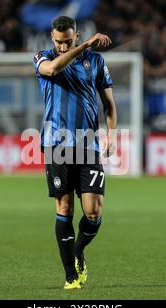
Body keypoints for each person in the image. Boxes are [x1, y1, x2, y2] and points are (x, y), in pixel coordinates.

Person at [32, 16, 118, 289]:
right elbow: (53, 70)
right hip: (57, 145)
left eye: (68, 40)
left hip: (88, 144)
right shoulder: (42, 57)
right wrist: (84, 46)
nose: (62, 45)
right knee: (65, 208)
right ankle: (70, 275)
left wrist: (112, 134)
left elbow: (109, 105)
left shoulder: (96, 62)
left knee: (93, 211)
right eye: (59, 41)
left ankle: (78, 250)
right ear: (51, 37)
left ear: (76, 35)